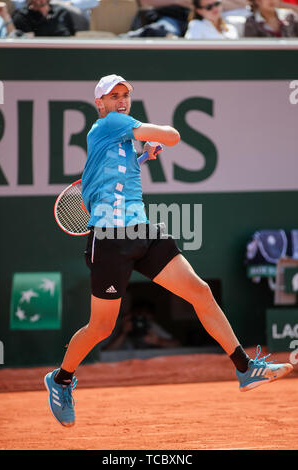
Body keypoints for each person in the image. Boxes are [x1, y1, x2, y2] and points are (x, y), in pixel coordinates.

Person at [44, 74, 293, 427]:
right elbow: (173, 135)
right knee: (100, 328)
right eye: (113, 96)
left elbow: (113, 174)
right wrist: (153, 139)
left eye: (125, 94)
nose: (121, 100)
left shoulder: (121, 139)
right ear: (99, 104)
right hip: (111, 241)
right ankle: (61, 379)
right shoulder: (111, 124)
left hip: (144, 232)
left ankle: (245, 368)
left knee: (200, 292)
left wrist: (142, 153)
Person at [102, 301, 181, 351]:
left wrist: (158, 341)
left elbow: (176, 345)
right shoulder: (117, 325)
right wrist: (122, 333)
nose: (139, 322)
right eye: (137, 316)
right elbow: (104, 353)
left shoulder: (150, 325)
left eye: (144, 318)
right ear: (130, 314)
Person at [121, 0, 192, 38]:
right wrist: (177, 1)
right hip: (164, 19)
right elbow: (145, 2)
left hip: (191, 21)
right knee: (162, 30)